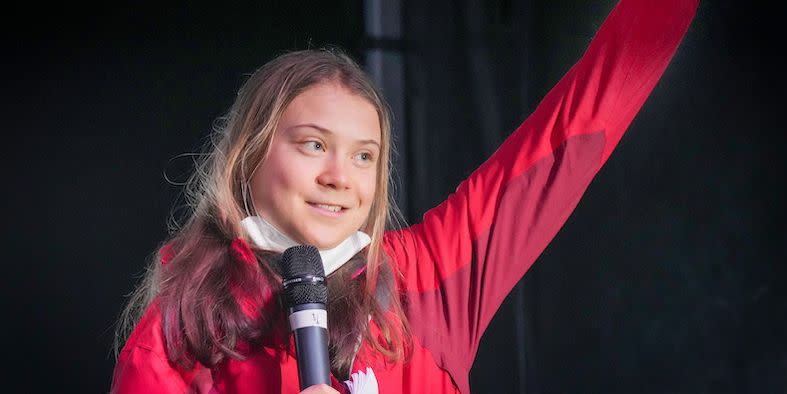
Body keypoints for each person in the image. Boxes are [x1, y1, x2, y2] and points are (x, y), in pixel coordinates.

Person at [110, 0, 698, 392]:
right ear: (250, 157)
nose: (341, 176)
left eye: (365, 155)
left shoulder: (427, 277)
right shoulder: (181, 334)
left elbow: (582, 119)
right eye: (314, 145)